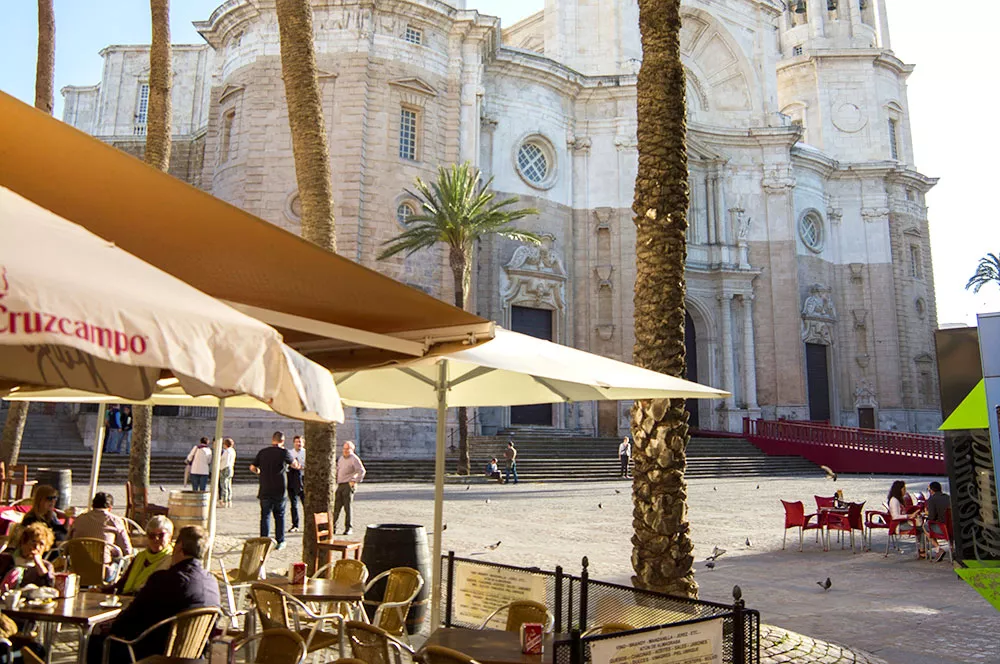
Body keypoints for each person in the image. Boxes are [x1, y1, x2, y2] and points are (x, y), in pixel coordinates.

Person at [87, 526, 220, 664]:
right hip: (194, 655)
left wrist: (110, 627)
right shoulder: (211, 581)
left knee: (96, 642)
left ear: (179, 547)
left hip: (154, 654)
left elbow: (128, 619)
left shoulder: (165, 579)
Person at [249, 431, 299, 550]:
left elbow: (252, 467)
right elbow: (295, 465)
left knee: (265, 516)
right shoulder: (284, 452)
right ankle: (280, 541)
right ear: (282, 441)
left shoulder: (263, 452)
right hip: (279, 489)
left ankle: (263, 540)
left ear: (272, 440)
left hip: (265, 488)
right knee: (279, 515)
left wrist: (259, 472)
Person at [107, 516, 174, 596]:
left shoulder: (171, 559)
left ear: (170, 537)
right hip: (128, 598)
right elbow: (122, 584)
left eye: (161, 535)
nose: (156, 539)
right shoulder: (140, 557)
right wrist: (102, 590)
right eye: (151, 536)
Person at [69, 492, 134, 567]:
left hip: (76, 567)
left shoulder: (79, 519)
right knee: (127, 556)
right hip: (103, 570)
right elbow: (127, 549)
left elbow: (68, 542)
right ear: (110, 508)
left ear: (93, 506)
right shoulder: (115, 521)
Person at [0, 522, 55, 590]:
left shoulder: (46, 566)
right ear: (24, 542)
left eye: (41, 544)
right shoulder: (6, 559)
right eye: (33, 541)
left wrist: (39, 564)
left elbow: (49, 586)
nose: (37, 547)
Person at [332, 441, 366, 536]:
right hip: (340, 484)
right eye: (344, 448)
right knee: (336, 507)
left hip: (348, 484)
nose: (345, 451)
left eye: (348, 449)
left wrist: (354, 480)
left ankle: (348, 528)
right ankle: (333, 527)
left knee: (347, 508)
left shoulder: (354, 459)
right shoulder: (341, 458)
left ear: (352, 450)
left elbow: (362, 471)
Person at [887, 480, 924, 558]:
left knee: (922, 528)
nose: (905, 491)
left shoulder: (899, 500)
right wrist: (909, 516)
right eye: (904, 489)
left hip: (902, 522)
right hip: (898, 525)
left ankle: (921, 549)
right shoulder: (894, 501)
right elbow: (895, 516)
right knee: (922, 529)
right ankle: (922, 550)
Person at [924, 481, 951, 562]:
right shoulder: (948, 497)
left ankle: (938, 548)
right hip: (952, 528)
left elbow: (931, 517)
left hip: (943, 529)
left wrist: (927, 516)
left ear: (931, 491)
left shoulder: (932, 500)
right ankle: (952, 548)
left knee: (925, 525)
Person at [287, 435, 306, 533]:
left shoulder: (306, 453)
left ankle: (308, 524)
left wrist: (301, 467)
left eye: (300, 442)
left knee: (305, 502)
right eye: (296, 442)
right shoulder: (290, 453)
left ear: (303, 443)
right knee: (293, 504)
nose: (298, 444)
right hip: (292, 478)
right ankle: (295, 524)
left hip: (303, 479)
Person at [219, 438, 236, 509]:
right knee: (228, 485)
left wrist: (220, 468)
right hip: (230, 468)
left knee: (224, 485)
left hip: (225, 468)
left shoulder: (227, 451)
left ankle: (224, 501)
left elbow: (223, 460)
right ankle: (229, 500)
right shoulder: (233, 451)